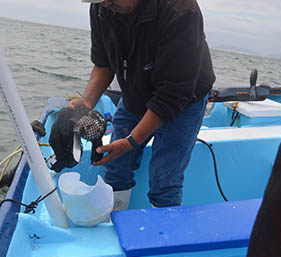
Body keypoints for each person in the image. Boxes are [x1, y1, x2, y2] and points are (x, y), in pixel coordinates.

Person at [71, 0, 216, 209]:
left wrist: (131, 142)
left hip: (184, 101)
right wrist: (86, 102)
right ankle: (113, 222)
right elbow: (103, 65)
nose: (106, 3)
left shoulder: (182, 12)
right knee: (115, 168)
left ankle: (163, 235)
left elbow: (171, 94)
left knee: (164, 180)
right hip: (136, 94)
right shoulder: (102, 7)